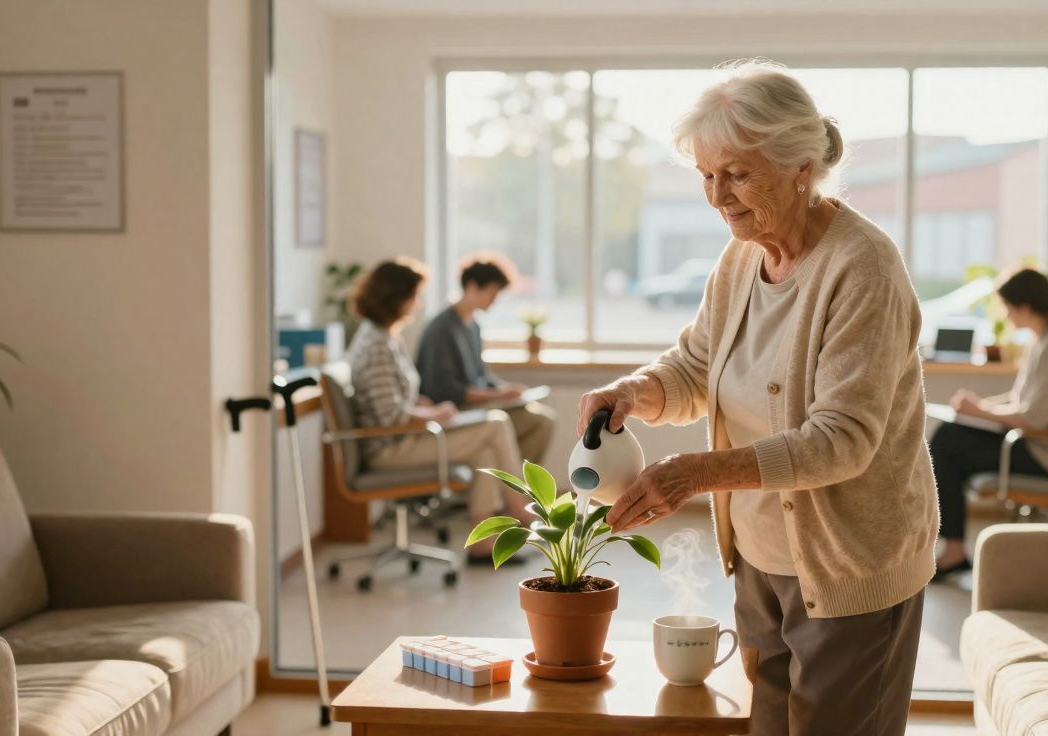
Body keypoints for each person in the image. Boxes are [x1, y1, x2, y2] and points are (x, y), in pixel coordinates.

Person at [577, 62, 937, 736]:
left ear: (802, 167)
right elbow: (696, 367)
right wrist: (636, 391)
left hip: (851, 562)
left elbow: (843, 439)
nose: (718, 197)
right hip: (761, 557)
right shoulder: (740, 258)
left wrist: (694, 475)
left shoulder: (864, 267)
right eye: (706, 176)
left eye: (737, 174)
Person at [344, 257, 533, 562]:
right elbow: (391, 416)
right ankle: (520, 510)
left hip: (401, 436)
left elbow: (390, 400)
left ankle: (483, 544)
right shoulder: (378, 344)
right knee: (496, 423)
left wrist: (421, 404)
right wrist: (434, 414)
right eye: (414, 295)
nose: (418, 303)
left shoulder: (382, 337)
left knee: (485, 454)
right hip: (390, 447)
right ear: (397, 297)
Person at [930, 268, 1048, 578]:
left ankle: (953, 549)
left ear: (1023, 306)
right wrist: (978, 408)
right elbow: (1022, 398)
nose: (1006, 316)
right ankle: (952, 546)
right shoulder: (1045, 341)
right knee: (948, 437)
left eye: (1007, 308)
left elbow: (1034, 417)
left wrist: (979, 411)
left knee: (947, 442)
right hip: (1036, 445)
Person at [415, 254, 556, 464]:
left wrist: (506, 389)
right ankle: (514, 488)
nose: (494, 300)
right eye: (492, 293)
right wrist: (495, 394)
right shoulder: (442, 328)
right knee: (540, 422)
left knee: (542, 417)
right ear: (472, 286)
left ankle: (513, 486)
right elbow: (443, 390)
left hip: (477, 405)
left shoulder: (473, 325)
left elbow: (481, 375)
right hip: (454, 410)